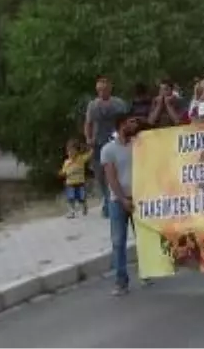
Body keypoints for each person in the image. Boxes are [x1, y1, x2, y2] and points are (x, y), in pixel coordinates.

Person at [101, 111, 142, 296]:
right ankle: (121, 280)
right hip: (118, 201)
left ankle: (147, 272)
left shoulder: (139, 145)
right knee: (118, 241)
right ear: (122, 125)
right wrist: (123, 199)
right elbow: (111, 178)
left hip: (139, 198)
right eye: (131, 122)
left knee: (143, 238)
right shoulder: (108, 150)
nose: (135, 125)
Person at [84, 77, 128, 217]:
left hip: (115, 140)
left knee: (116, 170)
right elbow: (88, 123)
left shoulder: (119, 104)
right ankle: (106, 198)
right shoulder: (93, 105)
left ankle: (116, 199)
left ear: (110, 88)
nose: (102, 92)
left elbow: (125, 121)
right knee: (100, 173)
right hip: (98, 142)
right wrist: (88, 137)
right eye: (99, 90)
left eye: (104, 89)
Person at [59, 139, 91, 218]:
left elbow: (90, 154)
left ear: (77, 151)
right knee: (70, 198)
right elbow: (64, 172)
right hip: (70, 183)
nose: (71, 153)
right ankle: (72, 212)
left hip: (80, 183)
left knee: (81, 197)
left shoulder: (81, 159)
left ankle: (84, 205)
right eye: (69, 151)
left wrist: (88, 146)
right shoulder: (66, 162)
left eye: (73, 151)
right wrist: (62, 173)